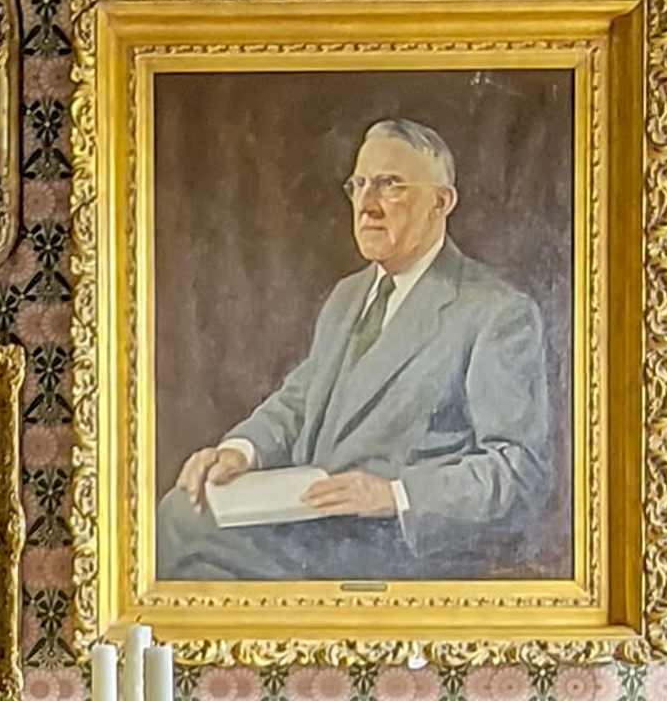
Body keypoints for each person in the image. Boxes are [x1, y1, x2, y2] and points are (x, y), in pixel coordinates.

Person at [153, 114, 557, 583]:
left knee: (183, 529)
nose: (367, 205)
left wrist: (393, 495)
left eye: (390, 185)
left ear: (441, 203)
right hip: (321, 525)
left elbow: (519, 472)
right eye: (358, 184)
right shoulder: (349, 295)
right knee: (184, 510)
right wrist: (241, 451)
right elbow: (300, 400)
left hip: (399, 545)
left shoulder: (496, 312)